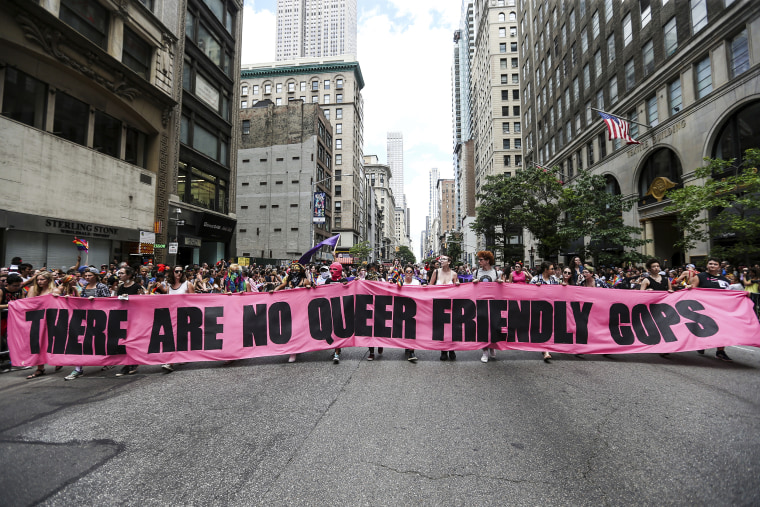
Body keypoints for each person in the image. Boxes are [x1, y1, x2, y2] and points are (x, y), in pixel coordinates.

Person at [65, 268, 111, 380]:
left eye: (89, 275)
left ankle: (106, 361)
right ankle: (78, 368)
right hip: (86, 317)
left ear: (95, 276)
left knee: (101, 340)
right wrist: (70, 300)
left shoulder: (102, 286)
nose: (87, 277)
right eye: (85, 276)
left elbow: (109, 301)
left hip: (100, 317)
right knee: (81, 341)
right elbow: (82, 301)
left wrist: (96, 299)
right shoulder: (85, 287)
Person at [690, 258, 732, 361]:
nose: (712, 265)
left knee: (722, 329)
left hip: (720, 310)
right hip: (704, 309)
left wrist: (744, 295)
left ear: (719, 267)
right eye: (710, 264)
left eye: (715, 264)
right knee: (705, 328)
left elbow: (730, 294)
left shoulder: (725, 280)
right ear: (707, 265)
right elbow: (692, 291)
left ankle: (720, 351)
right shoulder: (700, 277)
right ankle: (701, 344)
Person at [25, 272, 61, 379]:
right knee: (37, 343)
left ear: (49, 280)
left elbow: (59, 304)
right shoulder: (33, 289)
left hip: (50, 319)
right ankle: (40, 368)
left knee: (52, 341)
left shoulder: (54, 290)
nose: (39, 282)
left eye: (42, 279)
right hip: (36, 319)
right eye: (38, 279)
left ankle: (57, 360)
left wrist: (58, 297)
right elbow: (29, 303)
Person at [275, 262, 312, 363]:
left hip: (301, 310)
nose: (294, 272)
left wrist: (309, 289)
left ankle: (294, 350)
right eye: (293, 270)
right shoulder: (288, 281)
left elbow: (311, 295)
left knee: (298, 330)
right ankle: (293, 349)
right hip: (289, 310)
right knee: (289, 329)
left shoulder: (305, 281)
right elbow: (280, 286)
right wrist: (273, 292)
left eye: (297, 270)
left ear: (301, 271)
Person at [161, 266, 195, 373]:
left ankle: (170, 362)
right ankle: (175, 358)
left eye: (181, 271)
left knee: (178, 337)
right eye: (177, 271)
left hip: (184, 314)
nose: (179, 273)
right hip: (171, 314)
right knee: (173, 337)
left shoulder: (187, 284)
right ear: (173, 272)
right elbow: (167, 300)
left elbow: (194, 300)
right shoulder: (169, 286)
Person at [472, 251, 503, 363]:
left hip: (494, 303)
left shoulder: (496, 272)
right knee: (483, 327)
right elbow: (471, 287)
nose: (479, 262)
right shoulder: (476, 272)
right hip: (481, 303)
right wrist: (474, 282)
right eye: (479, 260)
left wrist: (500, 283)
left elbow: (502, 288)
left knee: (495, 326)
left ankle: (493, 347)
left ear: (487, 260)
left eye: (481, 260)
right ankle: (485, 351)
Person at [114, 266, 145, 377]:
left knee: (133, 340)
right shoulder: (121, 287)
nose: (120, 275)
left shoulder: (137, 287)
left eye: (122, 273)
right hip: (124, 317)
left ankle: (133, 363)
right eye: (119, 273)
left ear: (129, 275)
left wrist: (131, 298)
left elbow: (143, 300)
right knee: (125, 341)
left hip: (135, 317)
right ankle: (129, 362)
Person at [429, 255, 460, 360]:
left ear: (449, 262)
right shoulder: (436, 272)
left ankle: (451, 349)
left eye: (444, 259)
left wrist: (458, 285)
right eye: (441, 259)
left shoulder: (454, 274)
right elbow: (430, 286)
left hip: (451, 305)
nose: (441, 261)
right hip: (438, 305)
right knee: (442, 329)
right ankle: (443, 350)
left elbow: (458, 290)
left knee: (451, 329)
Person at [529, 261, 559, 361]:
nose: (553, 270)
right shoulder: (535, 279)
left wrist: (563, 287)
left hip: (551, 307)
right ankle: (545, 350)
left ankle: (546, 349)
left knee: (549, 328)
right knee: (542, 328)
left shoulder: (554, 279)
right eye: (551, 269)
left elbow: (559, 292)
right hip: (539, 308)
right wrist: (535, 288)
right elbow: (527, 293)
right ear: (546, 270)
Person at [322, 262, 348, 363]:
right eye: (331, 269)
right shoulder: (328, 280)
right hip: (330, 308)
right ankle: (336, 348)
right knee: (331, 330)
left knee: (338, 330)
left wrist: (347, 285)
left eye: (335, 269)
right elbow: (323, 292)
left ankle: (336, 353)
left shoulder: (343, 280)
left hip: (340, 309)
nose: (332, 271)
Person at [396, 267, 420, 362]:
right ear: (404, 272)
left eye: (411, 271)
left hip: (413, 309)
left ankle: (411, 351)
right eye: (407, 271)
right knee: (404, 330)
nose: (409, 273)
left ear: (413, 273)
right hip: (402, 309)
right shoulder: (400, 282)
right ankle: (407, 345)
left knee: (412, 330)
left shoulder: (416, 283)